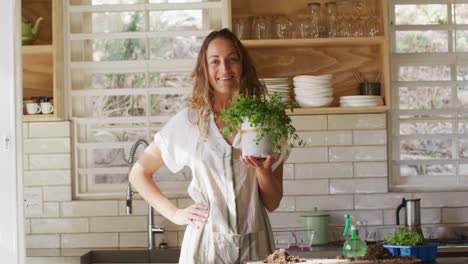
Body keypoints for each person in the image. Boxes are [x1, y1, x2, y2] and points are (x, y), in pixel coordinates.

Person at [129, 28, 288, 264]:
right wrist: (175, 214)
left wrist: (263, 170)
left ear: (242, 65)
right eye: (215, 61)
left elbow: (272, 202)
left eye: (232, 59)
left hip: (256, 248)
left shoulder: (265, 121)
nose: (224, 68)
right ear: (205, 69)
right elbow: (139, 173)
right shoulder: (189, 122)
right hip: (205, 248)